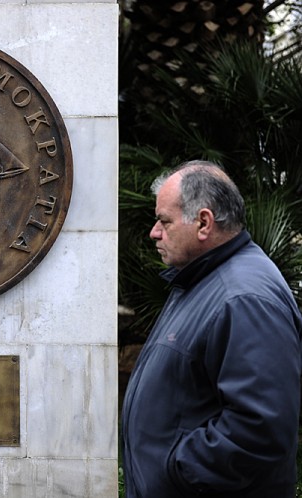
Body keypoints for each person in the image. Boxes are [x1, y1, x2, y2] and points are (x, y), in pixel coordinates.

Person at [121, 160, 302, 497]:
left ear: (203, 222)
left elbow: (260, 428)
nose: (154, 232)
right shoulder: (203, 280)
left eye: (164, 221)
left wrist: (177, 473)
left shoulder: (244, 298)